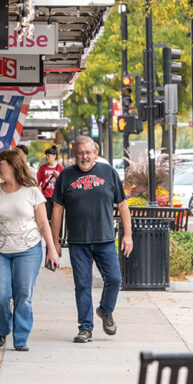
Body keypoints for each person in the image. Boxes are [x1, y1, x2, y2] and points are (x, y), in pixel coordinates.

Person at [0, 148, 60, 351]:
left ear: (11, 165)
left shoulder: (32, 192)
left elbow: (43, 224)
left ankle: (20, 339)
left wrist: (52, 249)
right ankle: (3, 328)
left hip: (28, 250)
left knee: (23, 294)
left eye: (0, 164)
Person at [50, 136, 132, 344]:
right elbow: (57, 210)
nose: (84, 156)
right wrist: (55, 241)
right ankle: (85, 328)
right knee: (82, 285)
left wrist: (128, 235)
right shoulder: (66, 176)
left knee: (114, 280)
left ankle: (105, 310)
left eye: (88, 152)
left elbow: (123, 206)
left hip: (104, 239)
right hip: (78, 242)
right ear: (75, 154)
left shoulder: (109, 173)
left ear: (95, 153)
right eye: (80, 153)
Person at [36, 145, 64, 223]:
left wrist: (58, 176)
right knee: (47, 218)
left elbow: (64, 183)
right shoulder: (42, 168)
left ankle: (57, 234)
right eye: (46, 155)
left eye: (48, 155)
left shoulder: (60, 168)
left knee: (57, 218)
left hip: (57, 197)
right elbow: (36, 183)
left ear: (54, 156)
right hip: (46, 197)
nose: (46, 157)